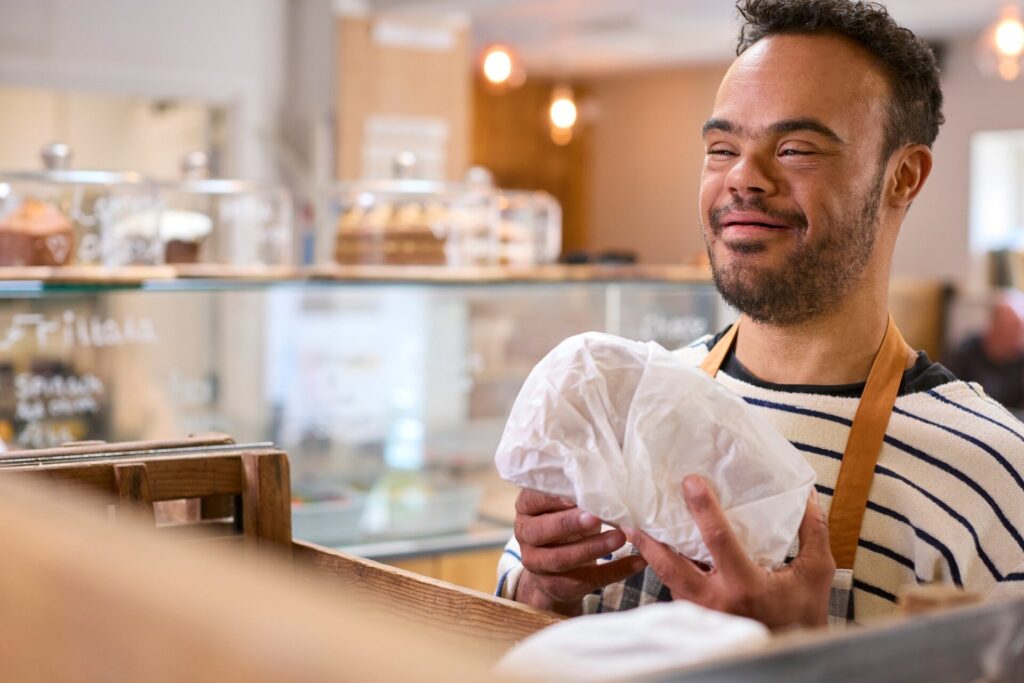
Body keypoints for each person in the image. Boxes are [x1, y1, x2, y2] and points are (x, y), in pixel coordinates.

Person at [496, 0, 1024, 628]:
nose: (744, 178)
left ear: (903, 176)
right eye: (722, 148)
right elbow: (503, 635)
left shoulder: (991, 476)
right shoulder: (625, 406)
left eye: (796, 149)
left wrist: (798, 655)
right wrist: (541, 589)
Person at [946, 293, 1024, 414]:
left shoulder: (1019, 359)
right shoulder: (965, 353)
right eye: (1010, 331)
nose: (1017, 340)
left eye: (1019, 333)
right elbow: (947, 393)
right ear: (993, 328)